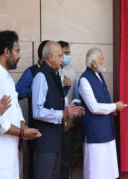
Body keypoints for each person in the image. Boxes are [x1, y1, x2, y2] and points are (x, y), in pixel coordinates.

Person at [0, 30, 42, 179]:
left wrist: (23, 127)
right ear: (6, 51)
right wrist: (23, 133)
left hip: (11, 148)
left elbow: (15, 108)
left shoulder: (5, 76)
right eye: (17, 51)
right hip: (0, 153)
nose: (19, 55)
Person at [31, 41, 85, 179]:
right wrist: (62, 113)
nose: (63, 59)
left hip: (56, 141)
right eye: (60, 55)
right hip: (45, 144)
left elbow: (54, 104)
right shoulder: (41, 76)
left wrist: (69, 110)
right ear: (50, 56)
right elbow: (37, 112)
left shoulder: (54, 74)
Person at [79, 48, 127, 179]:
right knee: (96, 171)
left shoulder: (99, 75)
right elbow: (93, 107)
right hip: (95, 134)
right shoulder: (84, 80)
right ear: (94, 63)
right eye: (101, 59)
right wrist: (114, 106)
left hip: (106, 130)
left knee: (108, 170)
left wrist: (114, 108)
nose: (104, 61)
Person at [15, 40, 49, 179]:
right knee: (37, 166)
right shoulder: (31, 71)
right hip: (36, 126)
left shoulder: (55, 72)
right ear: (44, 55)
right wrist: (34, 91)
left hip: (53, 126)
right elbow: (17, 91)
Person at [58, 41, 79, 179]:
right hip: (54, 122)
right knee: (54, 162)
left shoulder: (72, 72)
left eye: (68, 52)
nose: (67, 56)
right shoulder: (51, 72)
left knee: (66, 160)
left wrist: (72, 119)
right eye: (64, 53)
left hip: (69, 123)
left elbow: (76, 97)